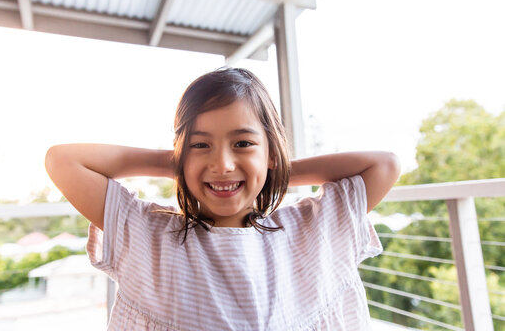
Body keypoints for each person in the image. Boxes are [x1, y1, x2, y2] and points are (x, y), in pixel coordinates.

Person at [44, 67, 401, 330]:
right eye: (201, 145)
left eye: (243, 143)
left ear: (271, 151)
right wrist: (179, 162)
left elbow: (383, 165)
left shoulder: (310, 229)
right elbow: (64, 161)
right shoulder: (147, 235)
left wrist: (270, 167)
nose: (222, 164)